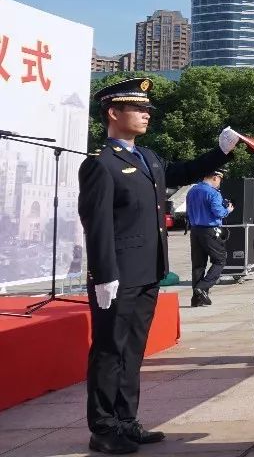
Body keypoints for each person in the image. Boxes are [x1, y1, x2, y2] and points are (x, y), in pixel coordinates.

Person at [78, 77, 238, 454]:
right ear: (114, 113)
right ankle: (103, 428)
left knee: (133, 350)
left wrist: (221, 150)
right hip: (117, 275)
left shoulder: (147, 158)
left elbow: (183, 171)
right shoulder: (101, 164)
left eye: (148, 109)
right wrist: (104, 275)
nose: (146, 115)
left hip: (148, 272)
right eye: (138, 109)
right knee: (109, 350)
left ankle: (126, 421)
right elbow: (96, 223)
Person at [187, 168, 233, 307]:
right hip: (209, 230)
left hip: (195, 230)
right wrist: (228, 210)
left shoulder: (192, 191)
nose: (219, 182)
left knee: (198, 264)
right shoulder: (213, 193)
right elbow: (219, 212)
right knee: (220, 259)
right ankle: (202, 287)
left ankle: (197, 299)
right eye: (219, 179)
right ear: (215, 177)